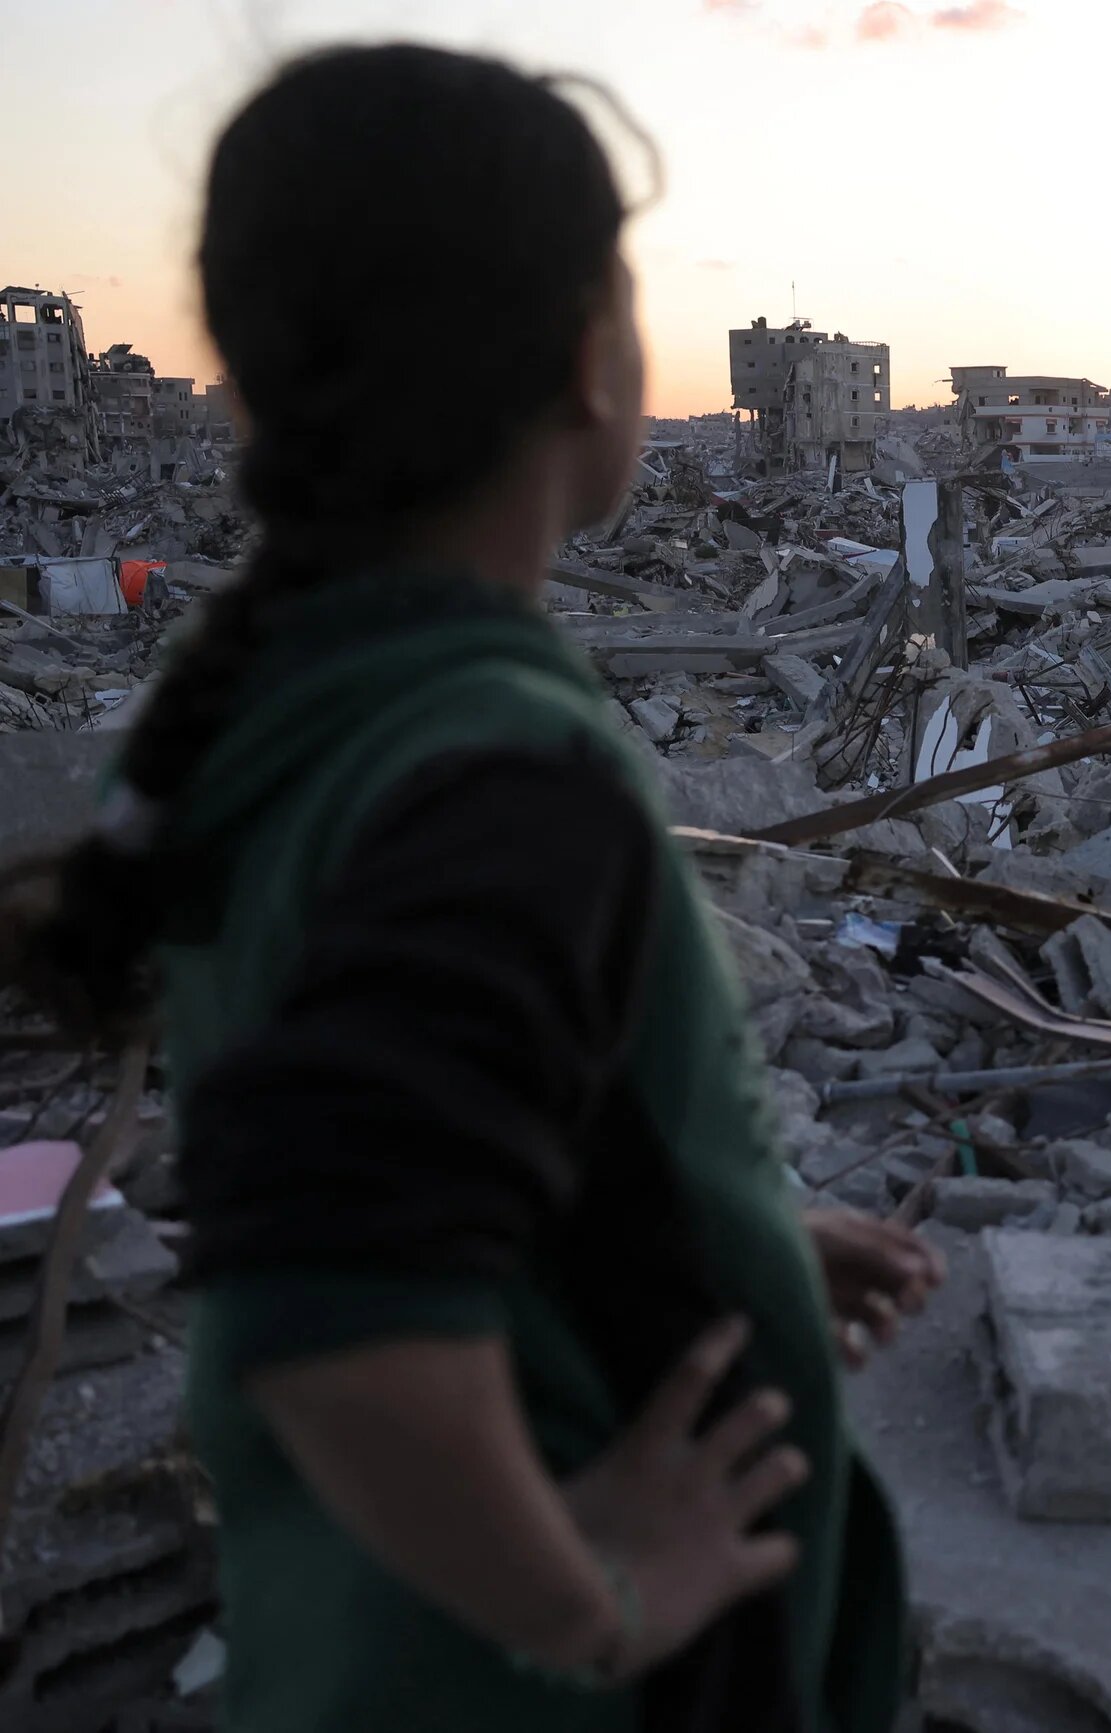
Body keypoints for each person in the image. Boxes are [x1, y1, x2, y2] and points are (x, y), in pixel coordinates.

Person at [0, 44, 939, 1732]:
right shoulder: (492, 774)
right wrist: (599, 1592)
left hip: (367, 1643)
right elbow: (336, 1298)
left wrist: (710, 1232)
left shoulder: (302, 704)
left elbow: (411, 1111)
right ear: (590, 358)